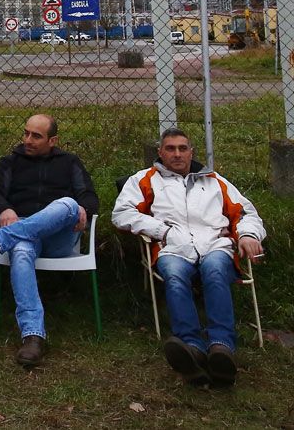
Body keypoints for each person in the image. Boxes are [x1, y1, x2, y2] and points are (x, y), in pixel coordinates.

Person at [111, 128, 265, 387]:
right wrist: (162, 230)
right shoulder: (144, 179)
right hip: (173, 247)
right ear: (160, 152)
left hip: (215, 244)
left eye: (182, 148)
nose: (177, 154)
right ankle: (191, 346)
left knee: (215, 271)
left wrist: (249, 235)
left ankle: (221, 347)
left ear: (192, 152)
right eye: (170, 149)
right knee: (174, 274)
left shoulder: (215, 180)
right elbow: (122, 213)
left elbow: (246, 213)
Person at [0, 113, 98, 368]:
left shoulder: (69, 162)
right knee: (22, 250)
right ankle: (33, 335)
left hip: (60, 240)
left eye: (36, 136)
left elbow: (91, 198)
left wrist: (82, 208)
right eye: (26, 133)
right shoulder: (11, 162)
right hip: (25, 236)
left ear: (53, 140)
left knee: (68, 204)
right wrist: (4, 208)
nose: (28, 139)